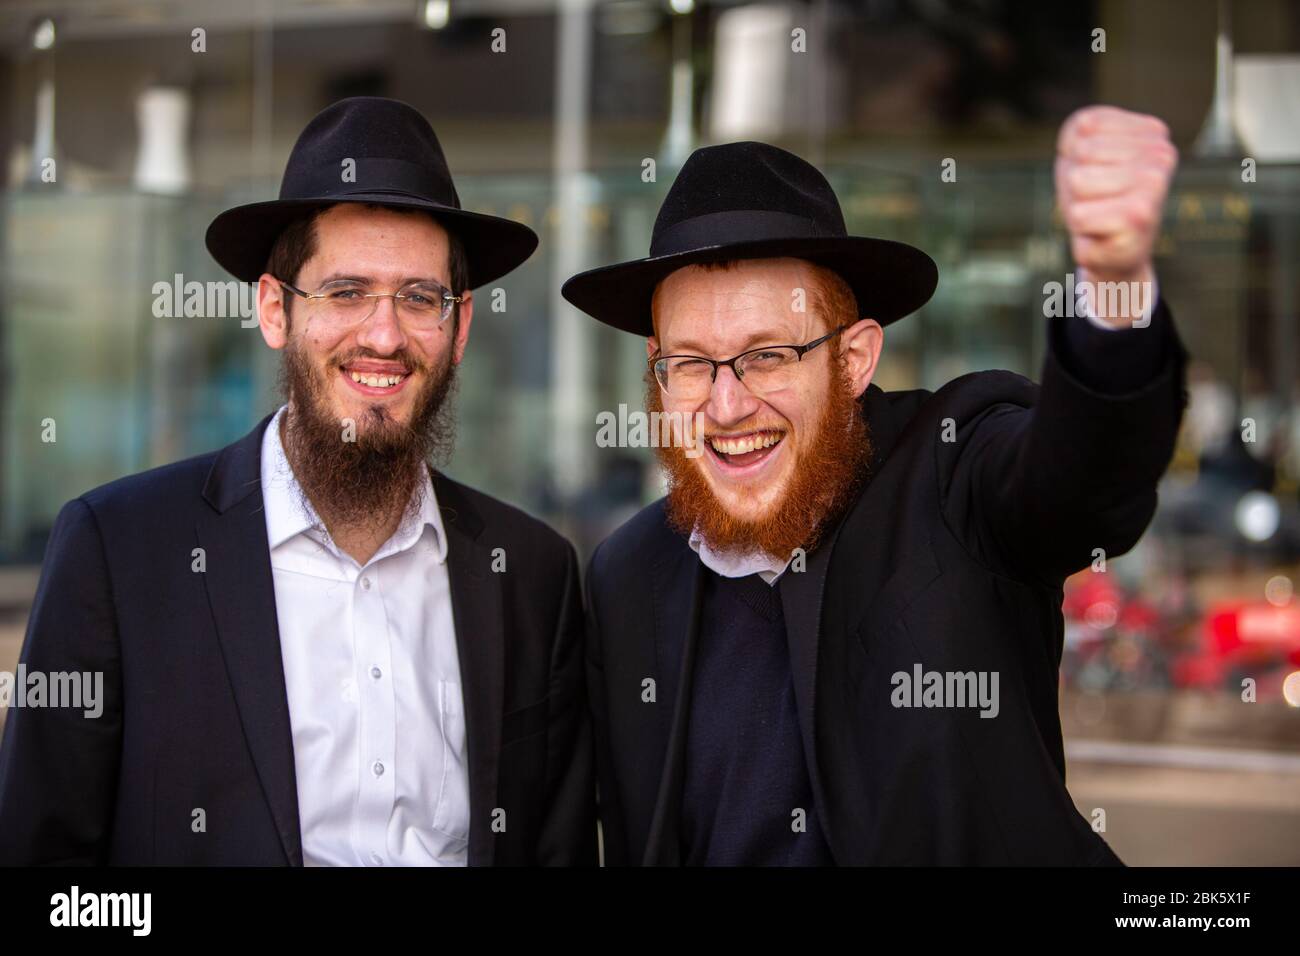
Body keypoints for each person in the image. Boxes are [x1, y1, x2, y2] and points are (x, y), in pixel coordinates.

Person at [565, 106, 1187, 865]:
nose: (726, 407)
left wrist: (1116, 290)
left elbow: (1083, 484)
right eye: (691, 364)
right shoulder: (628, 575)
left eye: (768, 355)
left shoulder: (957, 468)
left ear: (854, 359)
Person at [0, 97, 595, 866]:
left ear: (460, 326)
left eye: (419, 298)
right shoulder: (118, 554)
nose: (384, 335)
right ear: (274, 310)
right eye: (345, 292)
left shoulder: (531, 575)